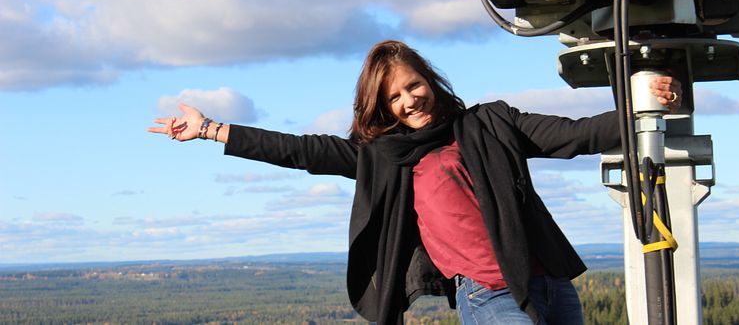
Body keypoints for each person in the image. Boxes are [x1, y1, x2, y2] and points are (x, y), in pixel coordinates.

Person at [148, 40, 682, 325]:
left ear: (429, 80)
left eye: (413, 85)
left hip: (548, 282)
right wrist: (213, 130)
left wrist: (641, 106)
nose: (409, 100)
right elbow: (301, 151)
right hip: (488, 295)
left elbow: (575, 135)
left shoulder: (490, 122)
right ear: (383, 108)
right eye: (394, 98)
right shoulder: (381, 156)